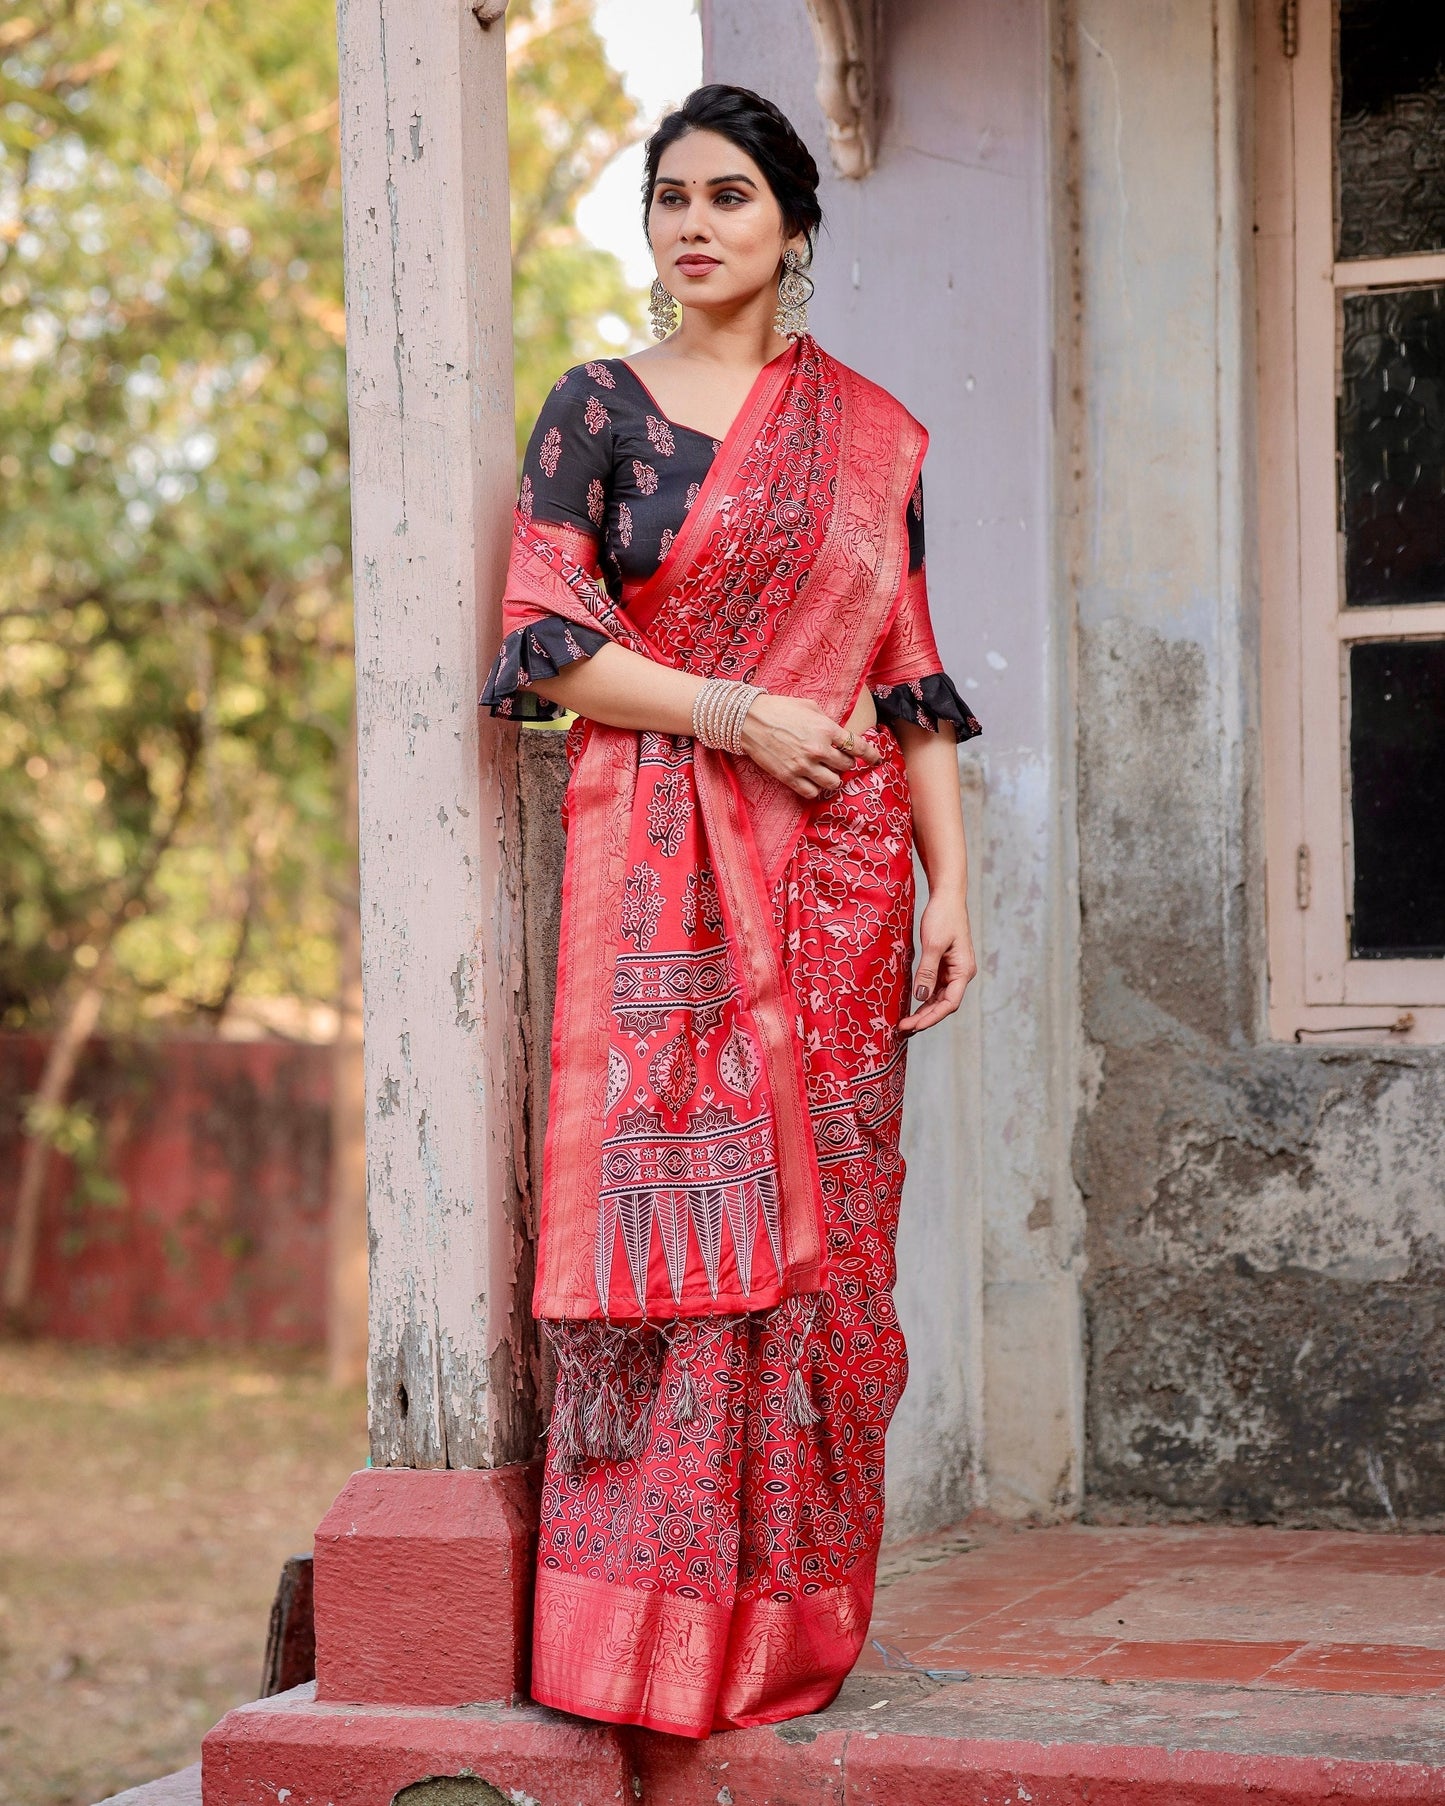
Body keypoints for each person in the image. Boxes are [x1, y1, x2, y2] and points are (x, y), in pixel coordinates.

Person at [481, 83, 979, 1740]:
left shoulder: (872, 435)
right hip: (666, 885)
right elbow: (548, 641)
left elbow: (906, 673)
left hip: (843, 883)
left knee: (824, 1252)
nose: (691, 226)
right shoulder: (597, 409)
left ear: (793, 226)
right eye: (669, 198)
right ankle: (645, 1634)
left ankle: (787, 1616)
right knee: (685, 1254)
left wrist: (952, 885)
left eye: (729, 197)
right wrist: (733, 714)